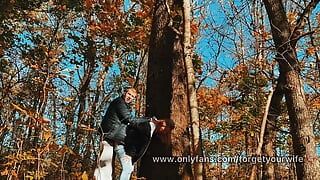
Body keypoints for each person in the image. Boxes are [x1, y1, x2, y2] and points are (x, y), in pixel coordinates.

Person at [98, 88, 160, 180]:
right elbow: (129, 119)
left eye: (132, 97)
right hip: (108, 136)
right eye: (129, 94)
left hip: (116, 139)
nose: (130, 97)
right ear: (124, 93)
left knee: (127, 168)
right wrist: (148, 120)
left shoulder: (125, 106)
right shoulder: (119, 102)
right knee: (105, 167)